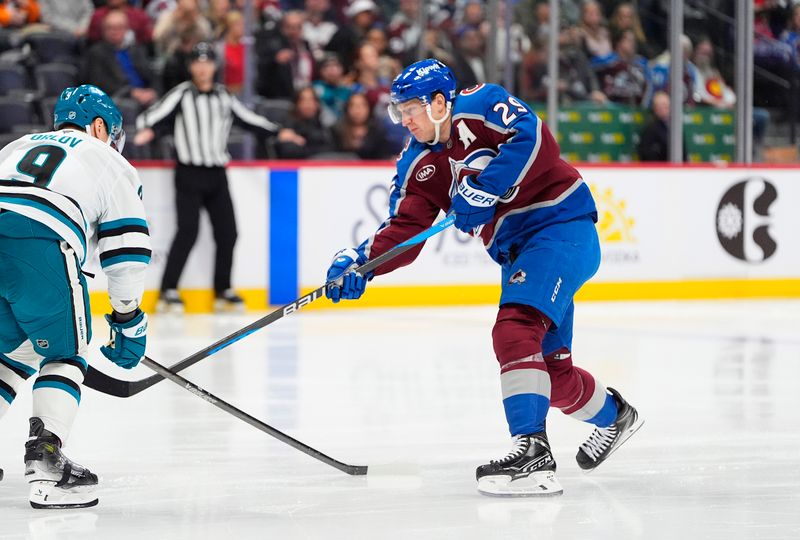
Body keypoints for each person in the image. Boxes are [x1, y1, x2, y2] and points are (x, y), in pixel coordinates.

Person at [324, 59, 643, 496]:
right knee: (553, 375)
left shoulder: (482, 103)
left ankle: (532, 453)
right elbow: (406, 230)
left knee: (514, 329)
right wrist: (362, 262)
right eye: (399, 112)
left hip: (560, 226)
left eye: (412, 108)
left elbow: (534, 138)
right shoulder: (417, 162)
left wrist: (488, 185)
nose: (406, 120)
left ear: (440, 102)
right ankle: (617, 416)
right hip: (518, 253)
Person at [0, 85, 150, 508]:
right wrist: (128, 319)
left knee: (15, 351)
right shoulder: (108, 159)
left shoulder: (17, 144)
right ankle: (46, 466)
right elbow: (126, 250)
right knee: (65, 354)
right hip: (39, 240)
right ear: (99, 126)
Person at [133, 42, 304, 313]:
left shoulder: (224, 96)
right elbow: (151, 117)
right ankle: (168, 289)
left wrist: (278, 131)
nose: (202, 68)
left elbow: (250, 120)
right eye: (197, 63)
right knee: (187, 231)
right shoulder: (181, 94)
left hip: (216, 173)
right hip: (189, 172)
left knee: (228, 233)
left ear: (214, 66)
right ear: (191, 67)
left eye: (207, 62)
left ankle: (222, 289)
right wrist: (148, 131)